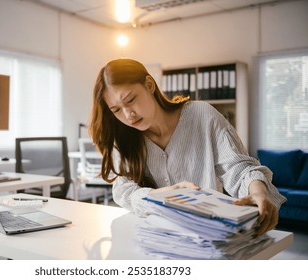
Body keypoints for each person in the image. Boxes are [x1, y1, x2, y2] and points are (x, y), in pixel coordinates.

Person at [89, 58, 286, 236]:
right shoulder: (124, 137)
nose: (128, 115)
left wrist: (258, 193)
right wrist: (166, 192)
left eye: (130, 100)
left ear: (149, 85)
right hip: (155, 237)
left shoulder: (202, 115)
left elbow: (239, 169)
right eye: (116, 110)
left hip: (209, 235)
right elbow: (124, 192)